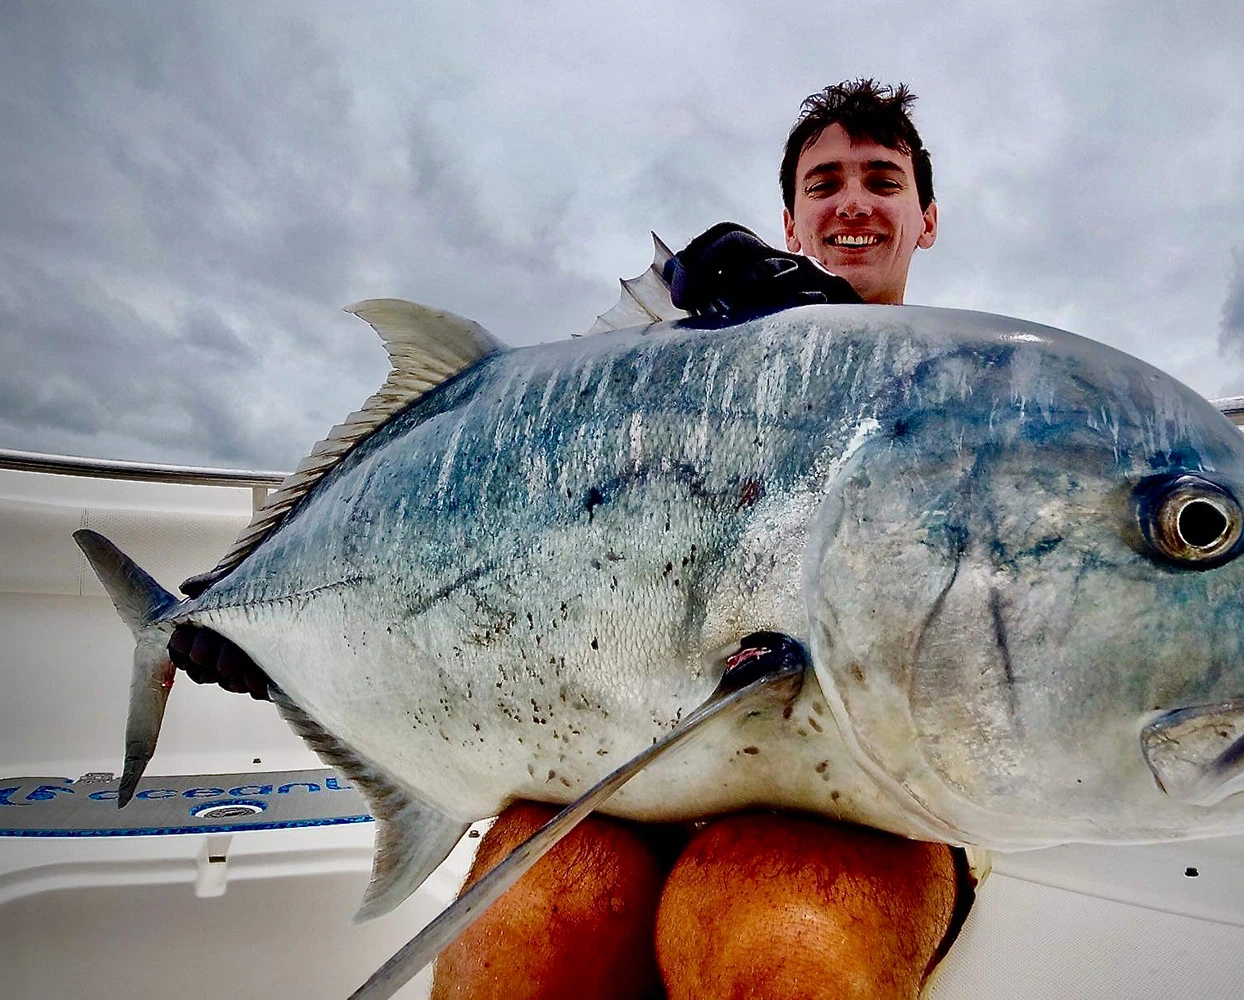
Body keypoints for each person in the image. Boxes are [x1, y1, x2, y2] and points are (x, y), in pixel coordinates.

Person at [170, 79, 961, 1000]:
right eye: (825, 183)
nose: (853, 202)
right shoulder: (691, 339)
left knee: (777, 950)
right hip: (621, 766)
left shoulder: (982, 408)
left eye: (883, 179)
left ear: (926, 219)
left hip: (881, 799)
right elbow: (516, 508)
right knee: (525, 929)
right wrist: (279, 631)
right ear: (791, 220)